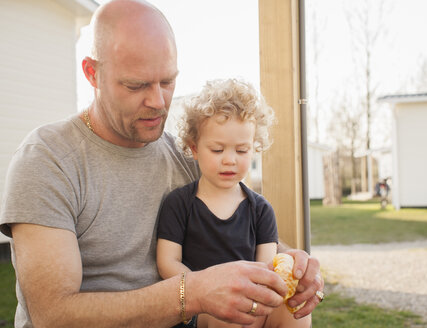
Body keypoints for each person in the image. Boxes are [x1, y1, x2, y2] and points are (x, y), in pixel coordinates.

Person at [0, 1, 324, 327]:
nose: (157, 102)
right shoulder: (47, 159)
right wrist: (192, 293)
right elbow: (52, 315)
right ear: (92, 73)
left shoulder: (186, 157)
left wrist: (293, 261)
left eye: (167, 82)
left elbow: (246, 222)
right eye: (136, 85)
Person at [156, 78, 311, 328]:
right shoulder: (179, 204)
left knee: (293, 309)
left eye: (241, 151)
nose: (230, 160)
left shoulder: (261, 210)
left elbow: (265, 268)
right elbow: (167, 262)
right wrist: (206, 289)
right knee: (227, 315)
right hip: (199, 308)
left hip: (250, 302)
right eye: (217, 150)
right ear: (194, 149)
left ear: (254, 148)